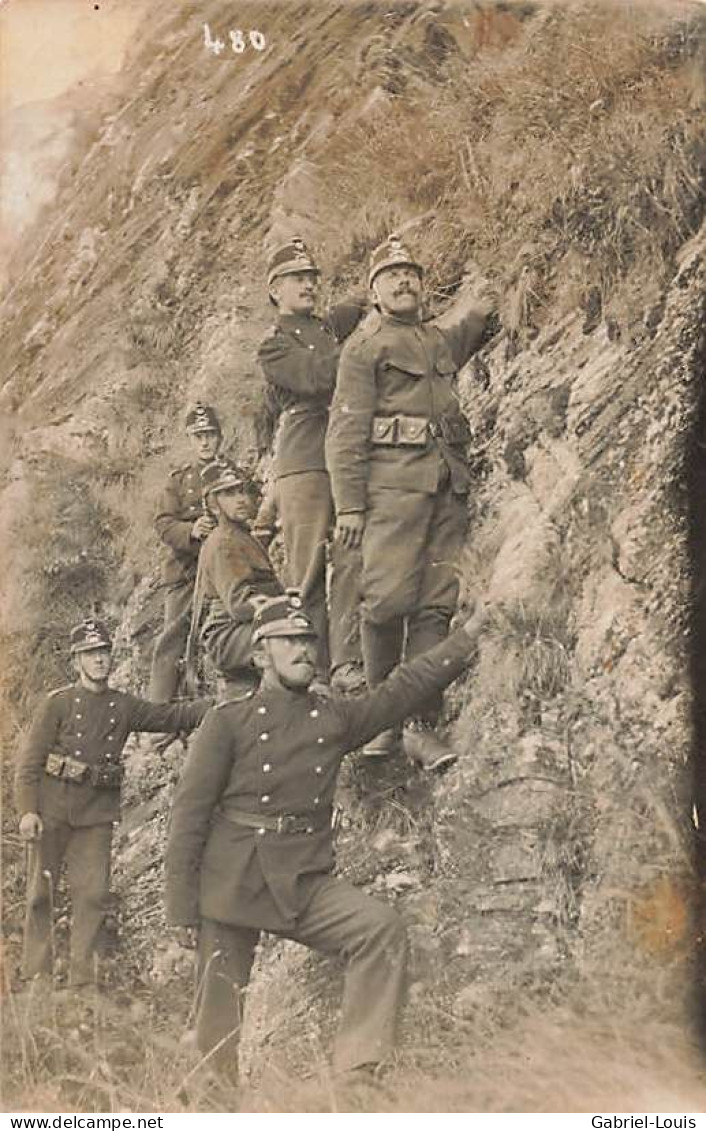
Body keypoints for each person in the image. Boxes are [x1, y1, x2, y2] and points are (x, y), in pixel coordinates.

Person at [165, 591, 487, 1082]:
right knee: (217, 1027)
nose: (303, 650)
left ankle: (359, 1073)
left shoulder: (331, 717)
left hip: (300, 878)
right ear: (259, 656)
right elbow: (188, 817)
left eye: (307, 641)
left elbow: (401, 689)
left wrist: (465, 639)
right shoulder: (226, 722)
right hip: (231, 882)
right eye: (288, 642)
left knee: (379, 929)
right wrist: (181, 909)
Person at [325, 233, 491, 770]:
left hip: (446, 487)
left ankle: (421, 727)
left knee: (435, 604)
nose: (403, 281)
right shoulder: (364, 348)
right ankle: (381, 720)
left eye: (411, 273)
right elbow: (344, 434)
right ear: (374, 293)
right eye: (390, 276)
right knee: (386, 601)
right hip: (392, 493)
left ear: (422, 285)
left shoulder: (436, 339)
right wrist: (349, 506)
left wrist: (493, 294)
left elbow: (470, 327)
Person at [15, 618, 209, 989]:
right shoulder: (57, 703)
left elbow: (169, 716)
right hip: (52, 808)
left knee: (92, 896)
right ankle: (35, 975)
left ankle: (81, 985)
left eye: (103, 652)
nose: (99, 660)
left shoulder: (122, 706)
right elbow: (30, 763)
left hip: (95, 816)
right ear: (78, 661)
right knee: (41, 893)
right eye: (90, 654)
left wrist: (218, 704)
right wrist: (27, 811)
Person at [256, 236, 366, 692]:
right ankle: (311, 670)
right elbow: (318, 377)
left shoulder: (326, 328)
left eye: (311, 278)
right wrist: (358, 348)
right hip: (303, 462)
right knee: (306, 572)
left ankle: (344, 662)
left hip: (342, 451)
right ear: (275, 290)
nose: (308, 285)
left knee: (350, 555)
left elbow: (357, 307)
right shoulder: (274, 346)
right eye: (296, 278)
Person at [148, 403, 222, 702]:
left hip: (221, 568)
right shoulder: (177, 481)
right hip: (184, 571)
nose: (204, 441)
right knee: (172, 641)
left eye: (210, 434)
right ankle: (158, 710)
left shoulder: (232, 474)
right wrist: (191, 531)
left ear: (220, 437)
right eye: (198, 435)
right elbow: (163, 523)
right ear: (190, 439)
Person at [192, 459, 283, 699]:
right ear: (213, 505)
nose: (240, 498)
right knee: (288, 638)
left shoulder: (240, 535)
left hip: (242, 629)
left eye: (241, 491)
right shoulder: (224, 543)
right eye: (229, 494)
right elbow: (240, 605)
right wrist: (283, 605)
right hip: (227, 634)